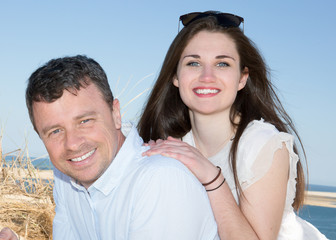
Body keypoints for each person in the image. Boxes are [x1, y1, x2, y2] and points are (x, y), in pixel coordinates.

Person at [0, 55, 218, 240]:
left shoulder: (160, 179)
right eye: (55, 131)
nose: (72, 144)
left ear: (115, 114)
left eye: (85, 121)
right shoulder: (67, 177)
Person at [138, 11, 327, 240]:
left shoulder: (263, 145)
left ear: (242, 78)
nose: (207, 76)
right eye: (194, 63)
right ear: (175, 76)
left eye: (222, 64)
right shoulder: (173, 145)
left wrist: (211, 177)